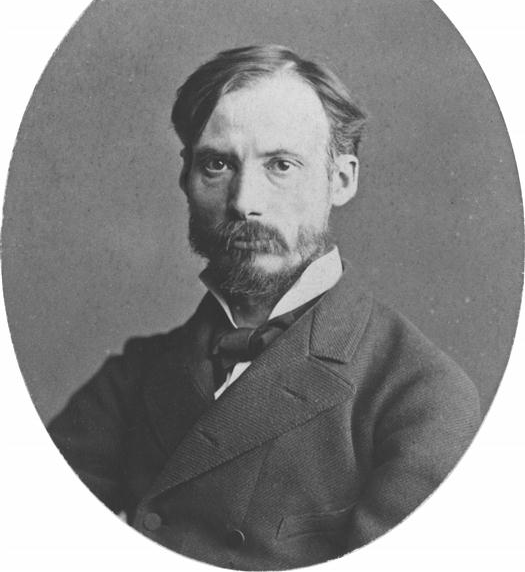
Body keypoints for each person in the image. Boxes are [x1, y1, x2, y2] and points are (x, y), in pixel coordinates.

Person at [48, 45, 480, 570]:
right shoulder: (133, 375)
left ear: (341, 180)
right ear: (186, 178)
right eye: (217, 164)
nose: (244, 201)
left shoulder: (421, 396)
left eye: (281, 165)